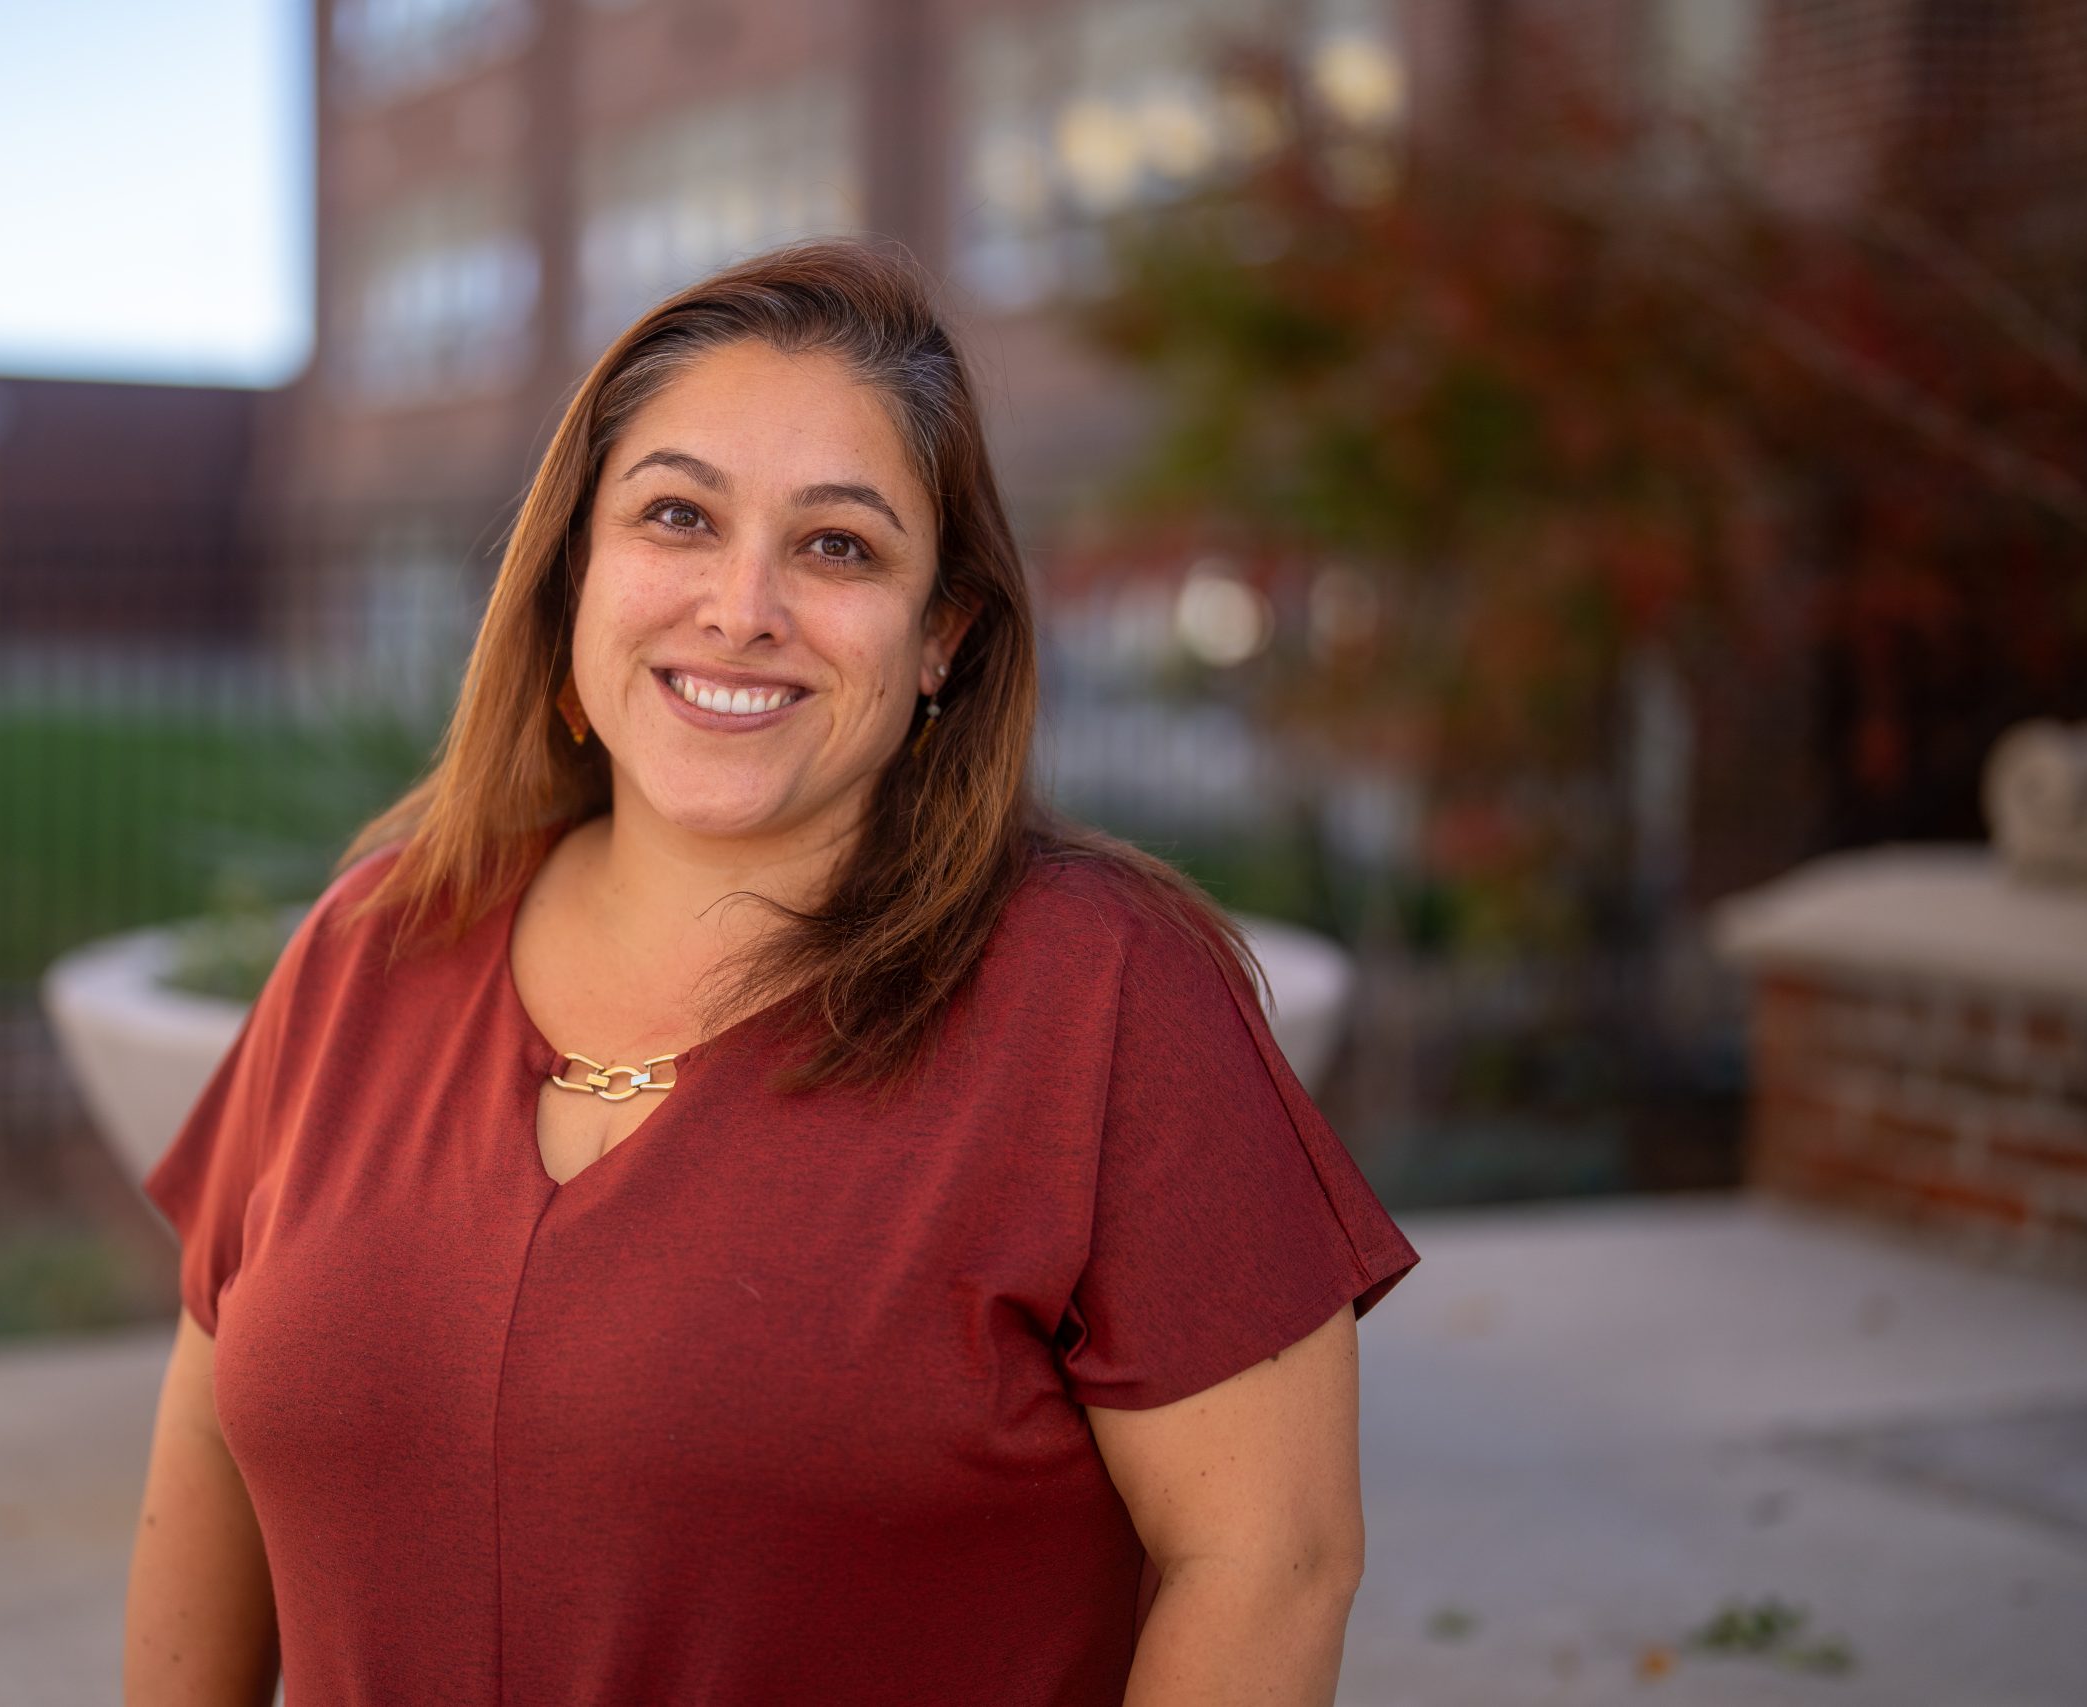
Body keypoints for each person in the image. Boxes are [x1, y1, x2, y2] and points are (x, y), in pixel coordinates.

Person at [123, 237, 1420, 1707]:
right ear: (571, 585)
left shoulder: (1105, 997)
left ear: (943, 636)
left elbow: (1272, 1559)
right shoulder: (372, 946)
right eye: (678, 516)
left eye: (837, 546)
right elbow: (209, 1442)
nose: (742, 606)